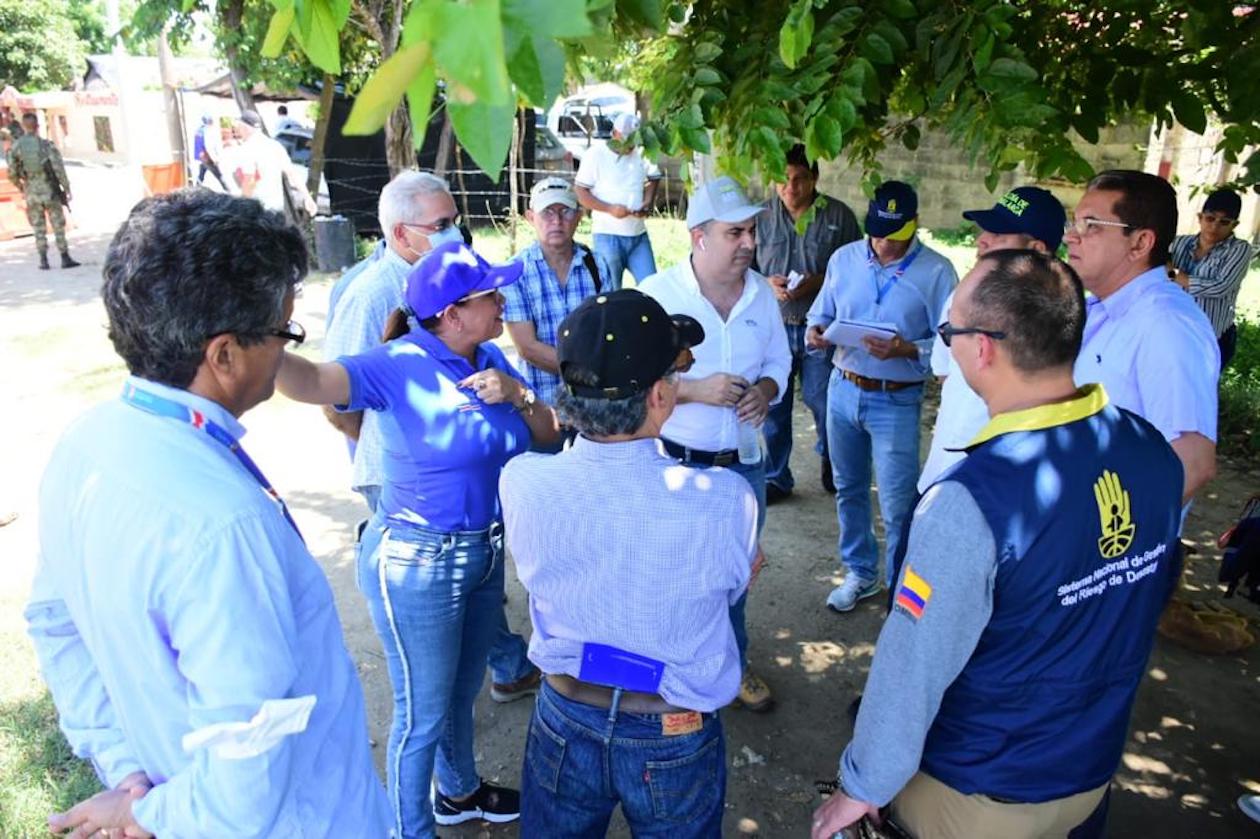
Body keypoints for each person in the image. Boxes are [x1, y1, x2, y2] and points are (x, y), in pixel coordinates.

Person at [25, 190, 390, 836]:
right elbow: (243, 791)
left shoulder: (87, 443)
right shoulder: (223, 525)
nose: (286, 353)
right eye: (284, 331)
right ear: (223, 355)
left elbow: (56, 626)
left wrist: (128, 773)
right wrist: (143, 807)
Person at [811, 249, 1185, 839]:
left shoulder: (972, 500)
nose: (948, 343)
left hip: (980, 790)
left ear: (981, 347)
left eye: (948, 330)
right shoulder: (1150, 449)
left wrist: (862, 785)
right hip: (1087, 775)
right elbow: (1150, 592)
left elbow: (914, 664)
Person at [276, 242, 559, 839]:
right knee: (421, 715)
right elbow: (311, 381)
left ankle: (458, 795)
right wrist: (262, 330)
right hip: (417, 561)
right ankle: (411, 829)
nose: (502, 299)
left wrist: (518, 393)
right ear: (453, 313)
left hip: (482, 554)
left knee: (460, 693)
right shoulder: (398, 362)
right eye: (490, 295)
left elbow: (550, 435)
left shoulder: (488, 358)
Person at [502, 289, 758, 836]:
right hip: (671, 727)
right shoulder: (724, 497)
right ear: (662, 396)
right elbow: (735, 586)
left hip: (565, 710)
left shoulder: (521, 478)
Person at [323, 171, 539, 704]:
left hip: (448, 468)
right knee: (438, 589)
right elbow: (339, 402)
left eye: (454, 222)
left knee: (467, 573)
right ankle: (466, 696)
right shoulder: (373, 293)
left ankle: (500, 667)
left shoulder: (449, 293)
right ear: (401, 234)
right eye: (441, 225)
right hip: (398, 474)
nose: (454, 233)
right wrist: (393, 441)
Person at [639, 176, 790, 712]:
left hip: (742, 467)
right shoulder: (658, 295)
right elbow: (635, 383)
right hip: (671, 465)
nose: (750, 242)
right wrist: (695, 390)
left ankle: (733, 663)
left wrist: (766, 392)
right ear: (699, 237)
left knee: (736, 577)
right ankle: (669, 669)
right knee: (672, 572)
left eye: (751, 231)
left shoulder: (761, 297)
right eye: (736, 233)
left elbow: (779, 361)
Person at [806, 181, 957, 611]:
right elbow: (821, 313)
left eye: (894, 234)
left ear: (915, 225)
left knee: (896, 502)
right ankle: (861, 573)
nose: (883, 244)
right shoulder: (844, 258)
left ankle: (900, 590)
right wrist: (816, 333)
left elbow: (951, 342)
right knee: (848, 488)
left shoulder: (938, 272)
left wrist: (908, 348)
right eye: (876, 232)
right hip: (843, 388)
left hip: (896, 399)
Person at [1068, 170, 1219, 504]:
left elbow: (1192, 463)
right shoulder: (1102, 309)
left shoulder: (1166, 325)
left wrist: (1108, 545)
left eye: (1091, 225)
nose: (1071, 237)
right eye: (1074, 222)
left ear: (1140, 243)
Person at [918, 186, 1066, 491]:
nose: (982, 240)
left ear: (1037, 250)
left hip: (995, 489)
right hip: (938, 472)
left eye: (1000, 235)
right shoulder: (963, 295)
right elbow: (945, 371)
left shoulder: (1058, 324)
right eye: (986, 230)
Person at [756, 144, 861, 501]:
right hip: (774, 327)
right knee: (774, 403)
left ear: (815, 178)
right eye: (783, 180)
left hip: (821, 328)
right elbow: (747, 268)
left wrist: (821, 281)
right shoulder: (760, 217)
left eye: (800, 179)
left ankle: (832, 462)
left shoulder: (838, 215)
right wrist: (766, 284)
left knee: (822, 399)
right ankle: (776, 475)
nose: (791, 188)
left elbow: (856, 268)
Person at [503, 177, 611, 447]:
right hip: (540, 410)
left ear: (579, 217)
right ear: (530, 217)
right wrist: (590, 374)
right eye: (547, 212)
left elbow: (607, 331)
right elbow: (527, 347)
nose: (557, 220)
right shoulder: (516, 272)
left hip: (593, 412)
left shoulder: (596, 264)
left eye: (565, 211)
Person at [575, 112, 662, 290]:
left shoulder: (642, 152)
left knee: (653, 288)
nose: (631, 147)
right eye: (627, 141)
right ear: (615, 133)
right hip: (607, 236)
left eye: (634, 142)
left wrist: (647, 202)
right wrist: (609, 209)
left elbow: (654, 177)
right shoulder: (595, 154)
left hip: (638, 235)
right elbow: (580, 192)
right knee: (611, 293)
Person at [1170, 188, 1254, 371]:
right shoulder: (1179, 243)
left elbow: (1219, 287)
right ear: (1200, 217)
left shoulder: (1240, 249)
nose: (1215, 227)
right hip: (1173, 332)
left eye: (1224, 222)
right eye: (1210, 218)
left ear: (1234, 225)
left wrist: (1174, 275)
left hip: (1210, 338)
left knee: (1195, 394)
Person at [7, 112, 79, 270]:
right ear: (37, 126)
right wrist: (66, 188)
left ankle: (43, 260)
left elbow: (11, 172)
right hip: (49, 190)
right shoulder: (46, 146)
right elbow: (58, 169)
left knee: (38, 226)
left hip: (31, 192)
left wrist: (22, 187)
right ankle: (64, 257)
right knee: (58, 225)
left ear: (24, 126)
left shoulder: (16, 147)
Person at [232, 110, 315, 216]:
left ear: (245, 128)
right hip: (276, 208)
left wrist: (241, 208)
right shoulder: (275, 146)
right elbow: (292, 174)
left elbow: (249, 180)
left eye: (239, 126)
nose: (238, 130)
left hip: (257, 210)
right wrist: (307, 197)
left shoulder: (248, 149)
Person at [193, 114, 228, 191]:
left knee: (201, 174)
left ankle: (196, 188)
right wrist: (215, 159)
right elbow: (209, 146)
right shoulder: (207, 131)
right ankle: (228, 190)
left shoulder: (199, 130)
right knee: (219, 175)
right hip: (208, 158)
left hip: (202, 157)